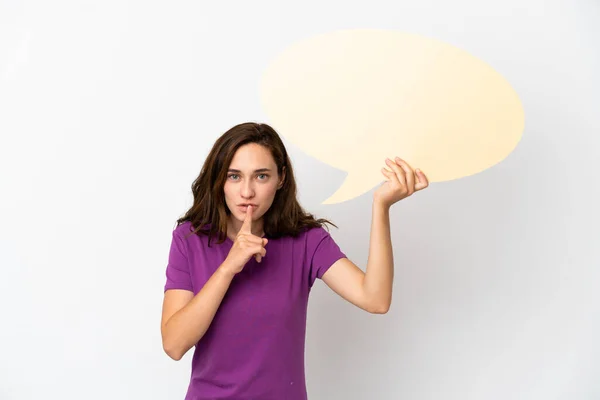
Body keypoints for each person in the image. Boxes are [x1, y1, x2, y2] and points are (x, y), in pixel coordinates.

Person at [160, 122, 429, 399]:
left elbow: (375, 299)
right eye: (234, 176)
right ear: (220, 179)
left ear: (281, 179)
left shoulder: (305, 241)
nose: (247, 191)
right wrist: (228, 267)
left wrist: (381, 206)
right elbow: (174, 344)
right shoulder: (189, 239)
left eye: (261, 176)